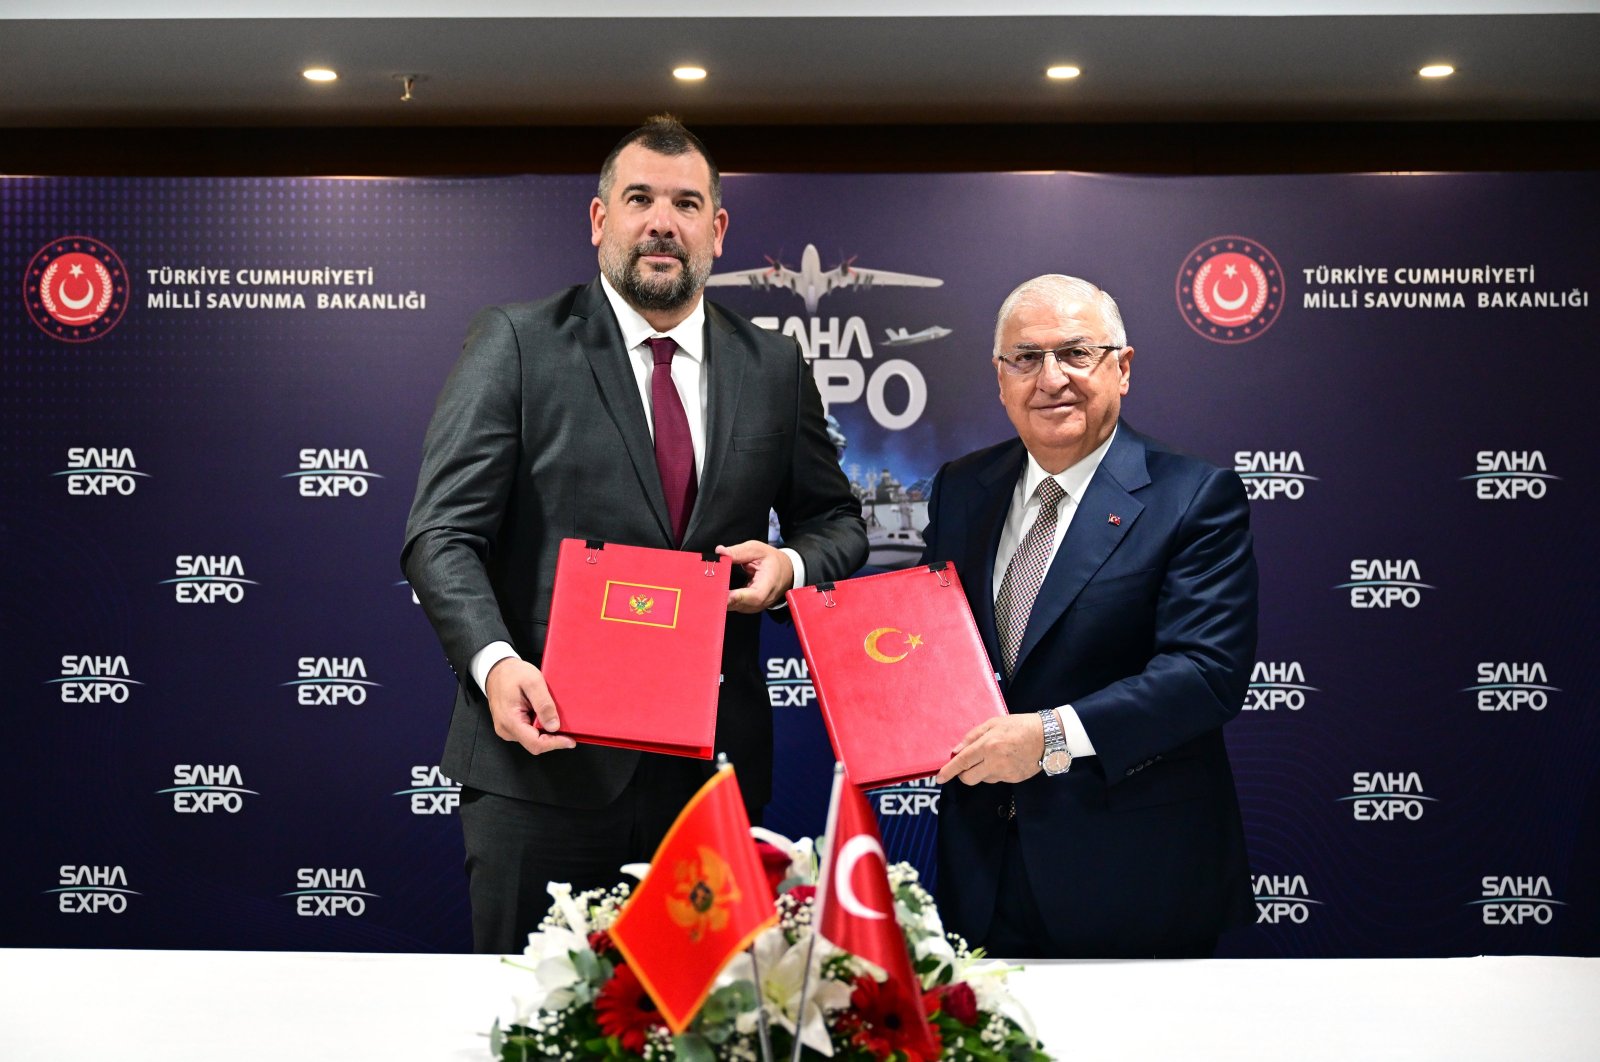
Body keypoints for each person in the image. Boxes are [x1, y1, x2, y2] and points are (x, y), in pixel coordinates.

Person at [402, 116, 867, 954]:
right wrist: (496, 664)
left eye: (687, 203)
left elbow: (835, 523)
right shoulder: (516, 342)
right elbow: (441, 535)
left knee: (703, 1027)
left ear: (717, 230)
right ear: (599, 219)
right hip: (541, 767)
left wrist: (790, 565)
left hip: (708, 778)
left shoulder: (773, 366)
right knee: (529, 1031)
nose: (663, 221)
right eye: (640, 199)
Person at [927, 274, 1257, 958]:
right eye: (1026, 358)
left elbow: (1205, 674)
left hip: (1133, 877)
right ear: (1000, 378)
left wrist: (1048, 737)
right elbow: (935, 643)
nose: (1051, 379)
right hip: (983, 872)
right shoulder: (962, 487)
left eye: (1076, 354)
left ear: (1122, 368)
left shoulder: (1193, 495)